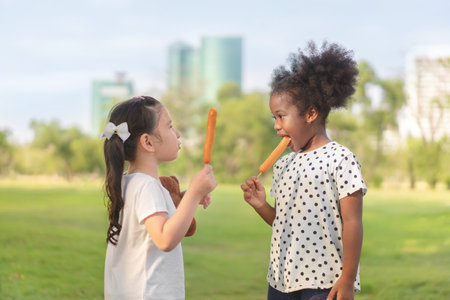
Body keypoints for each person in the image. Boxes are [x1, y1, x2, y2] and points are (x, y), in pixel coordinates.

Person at [241, 41, 367, 300]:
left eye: (281, 116)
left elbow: (352, 222)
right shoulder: (283, 164)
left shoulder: (341, 159)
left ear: (310, 113)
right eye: (274, 118)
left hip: (325, 283)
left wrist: (347, 279)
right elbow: (283, 223)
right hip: (280, 280)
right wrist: (261, 205)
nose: (277, 126)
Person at [101, 96, 217, 300]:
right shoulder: (147, 186)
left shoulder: (128, 182)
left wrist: (186, 197)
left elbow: (152, 226)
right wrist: (195, 193)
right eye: (170, 126)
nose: (177, 133)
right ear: (147, 142)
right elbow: (165, 238)